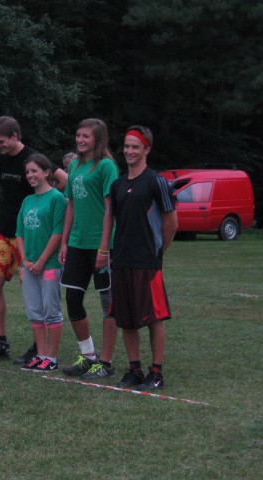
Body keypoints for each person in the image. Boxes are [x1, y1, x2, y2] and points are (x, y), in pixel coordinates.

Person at [0, 116, 67, 365]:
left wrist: (48, 202)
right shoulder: (2, 158)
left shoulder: (33, 158)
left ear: (15, 136)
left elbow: (64, 180)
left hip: (32, 234)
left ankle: (39, 347)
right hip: (6, 230)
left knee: (34, 287)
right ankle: (0, 342)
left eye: (1, 142)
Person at [106, 126, 177, 389]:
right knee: (126, 318)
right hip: (121, 260)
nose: (129, 151)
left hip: (147, 262)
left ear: (147, 149)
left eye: (135, 146)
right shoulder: (117, 184)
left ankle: (156, 373)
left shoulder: (156, 182)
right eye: (126, 146)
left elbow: (171, 224)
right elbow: (115, 221)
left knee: (153, 318)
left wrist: (158, 253)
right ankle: (134, 369)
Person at [58, 118, 119, 379]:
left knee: (108, 303)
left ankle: (106, 362)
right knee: (73, 299)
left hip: (102, 244)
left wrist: (104, 248)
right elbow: (71, 205)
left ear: (98, 139)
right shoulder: (74, 166)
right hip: (77, 243)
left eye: (86, 136)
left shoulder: (106, 166)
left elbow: (110, 209)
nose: (80, 140)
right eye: (78, 135)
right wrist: (64, 241)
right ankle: (88, 356)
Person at [16, 154, 66, 372]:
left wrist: (41, 261)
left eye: (34, 171)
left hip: (50, 265)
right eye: (27, 171)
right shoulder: (27, 200)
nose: (30, 175)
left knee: (51, 311)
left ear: (47, 173)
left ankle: (51, 358)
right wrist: (25, 261)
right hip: (29, 267)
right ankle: (41, 355)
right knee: (34, 312)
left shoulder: (57, 198)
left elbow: (57, 233)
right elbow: (19, 233)